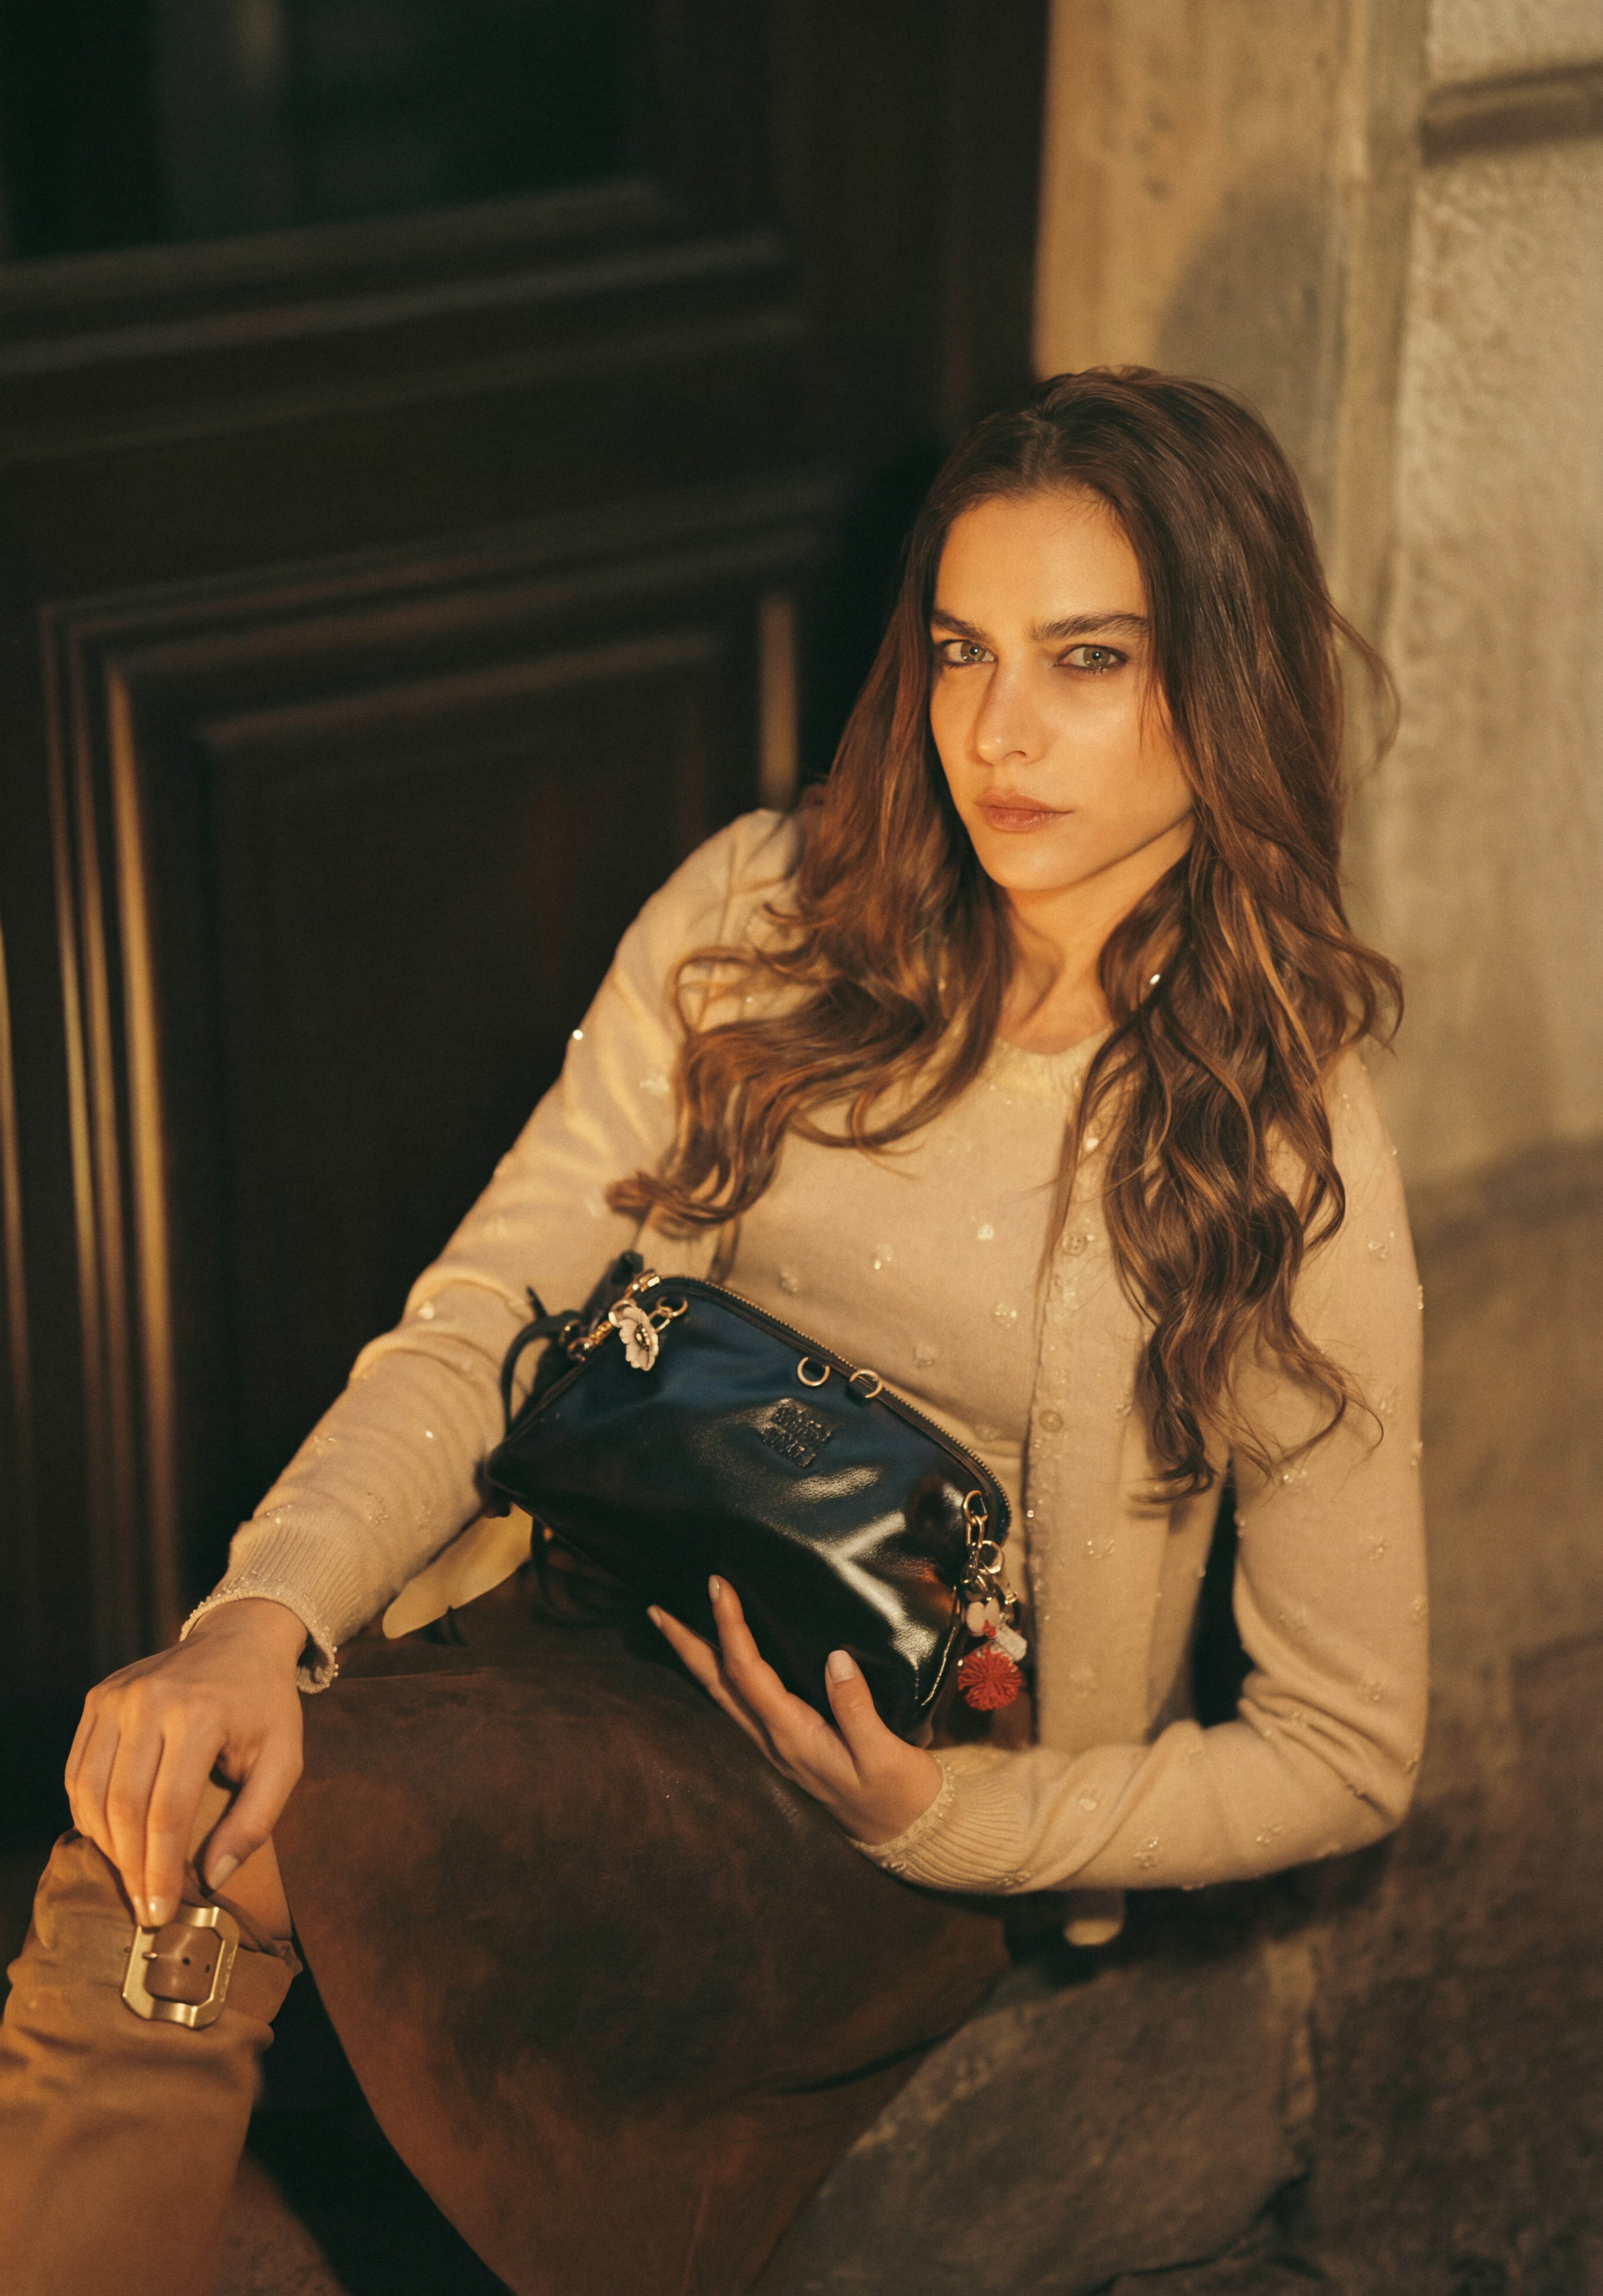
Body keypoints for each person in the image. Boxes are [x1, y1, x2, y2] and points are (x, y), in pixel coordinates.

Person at [0, 369, 1427, 2296]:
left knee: (216, 1859)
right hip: (575, 1627)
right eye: (961, 649)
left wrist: (959, 1821)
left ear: (1226, 682)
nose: (997, 730)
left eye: (1087, 659)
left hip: (866, 1800)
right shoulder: (764, 911)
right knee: (164, 1809)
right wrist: (262, 1615)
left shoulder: (1274, 1134)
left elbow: (1347, 1746)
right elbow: (492, 1316)